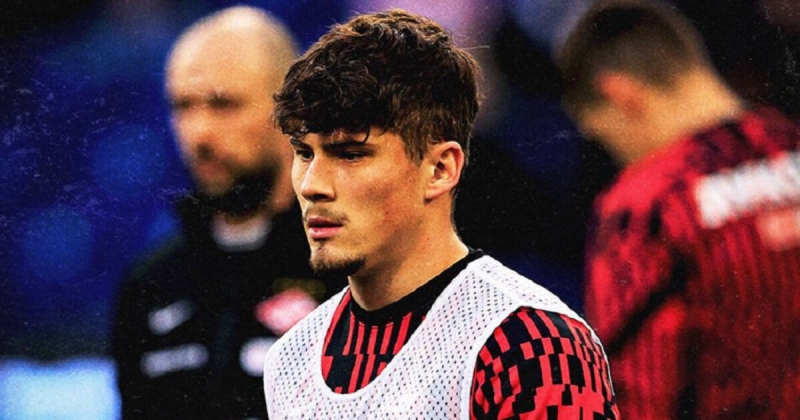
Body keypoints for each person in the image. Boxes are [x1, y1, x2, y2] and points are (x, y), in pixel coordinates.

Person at [261, 9, 619, 419]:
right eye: (304, 153)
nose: (312, 185)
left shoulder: (533, 345)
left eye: (351, 154)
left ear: (440, 169)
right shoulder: (290, 359)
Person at [557, 0, 800, 418]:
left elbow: (636, 397)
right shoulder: (791, 144)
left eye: (604, 137)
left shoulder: (646, 207)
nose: (615, 156)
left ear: (621, 94)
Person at [111, 7, 345, 419]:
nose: (199, 132)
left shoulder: (349, 268)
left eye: (224, 104)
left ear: (292, 114)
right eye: (183, 106)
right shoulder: (152, 283)